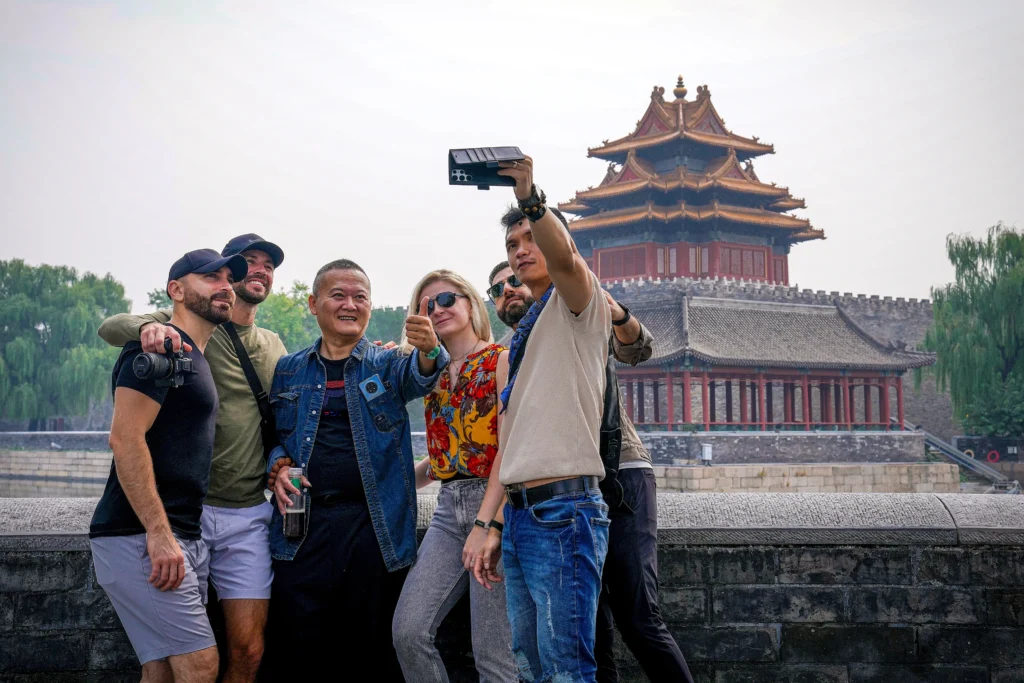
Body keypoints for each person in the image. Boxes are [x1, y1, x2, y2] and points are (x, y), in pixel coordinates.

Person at [486, 262, 694, 682]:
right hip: (560, 495)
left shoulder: (573, 308)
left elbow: (637, 348)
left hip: (618, 474)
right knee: (590, 629)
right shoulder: (509, 352)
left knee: (639, 617)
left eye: (513, 279)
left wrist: (616, 312)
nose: (507, 290)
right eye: (496, 289)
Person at [97, 234, 287, 683]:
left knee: (186, 663)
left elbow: (283, 421)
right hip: (178, 521)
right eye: (244, 263)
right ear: (179, 290)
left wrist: (279, 461)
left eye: (266, 265)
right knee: (195, 663)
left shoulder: (272, 347)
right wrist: (146, 327)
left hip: (234, 514)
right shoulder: (170, 340)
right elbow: (125, 436)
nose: (253, 271)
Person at [263, 259, 450, 681]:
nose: (350, 304)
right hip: (302, 529)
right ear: (313, 304)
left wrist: (429, 348)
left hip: (373, 529)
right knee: (300, 646)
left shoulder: (387, 363)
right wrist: (277, 465)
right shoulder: (289, 369)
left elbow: (423, 375)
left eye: (360, 297)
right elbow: (269, 434)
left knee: (370, 650)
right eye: (338, 295)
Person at [473, 155, 612, 682]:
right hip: (522, 515)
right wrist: (492, 523)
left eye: (531, 238)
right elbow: (511, 442)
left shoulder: (579, 303)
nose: (521, 250)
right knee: (530, 664)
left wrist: (529, 195)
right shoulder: (525, 332)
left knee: (567, 669)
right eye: (511, 245)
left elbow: (569, 261)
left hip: (564, 511)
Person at [391, 270, 517, 682]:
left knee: (494, 656)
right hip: (448, 511)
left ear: (469, 303)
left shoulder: (500, 360)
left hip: (496, 505)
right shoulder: (430, 376)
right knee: (408, 631)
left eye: (446, 299)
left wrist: (486, 524)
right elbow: (445, 458)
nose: (438, 309)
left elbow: (507, 450)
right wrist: (389, 484)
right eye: (426, 306)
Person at [486, 260, 533, 347]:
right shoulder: (508, 358)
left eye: (515, 280)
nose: (506, 289)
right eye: (497, 289)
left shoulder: (563, 312)